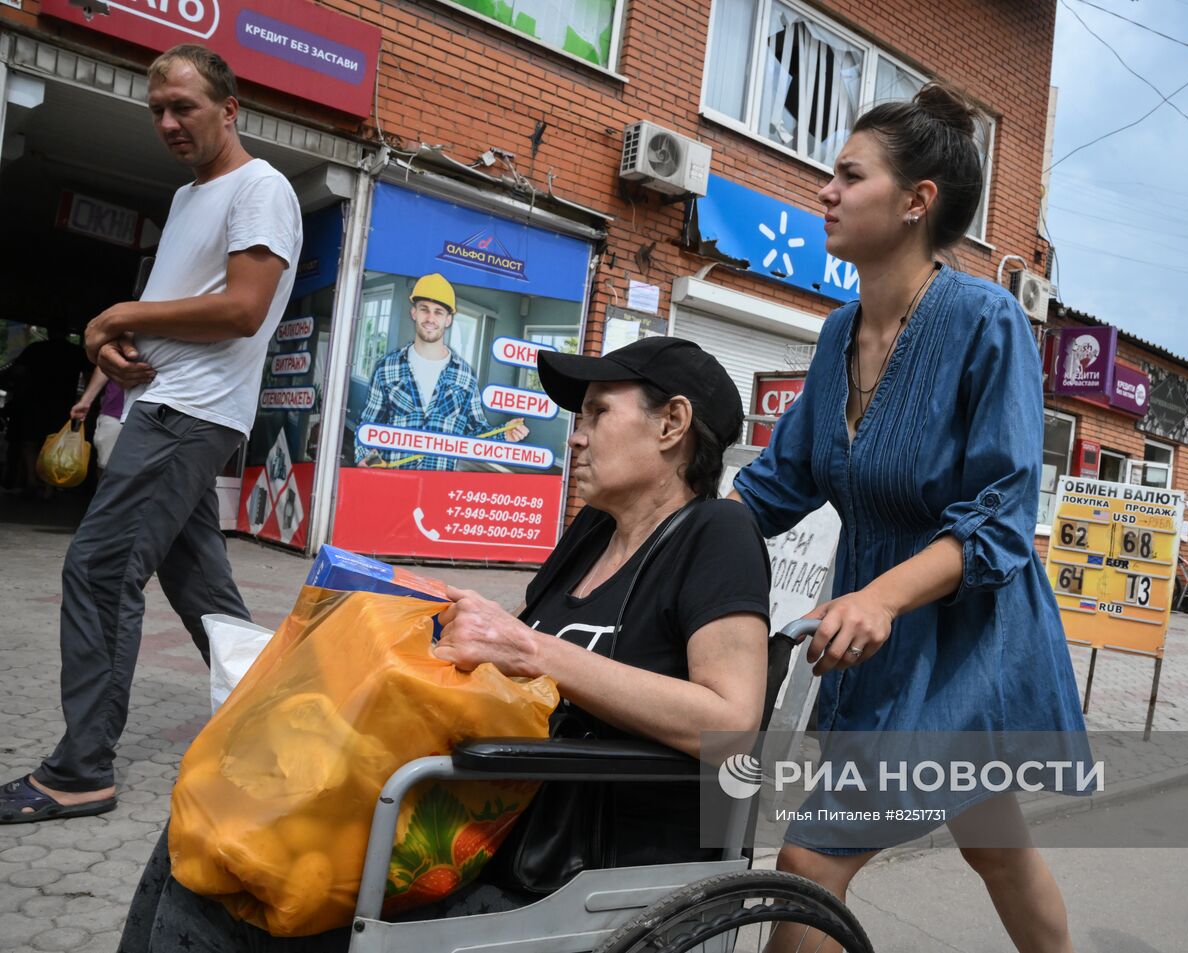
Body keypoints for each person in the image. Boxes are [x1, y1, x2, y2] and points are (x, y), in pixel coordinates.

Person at [117, 336, 772, 951]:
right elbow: (508, 651)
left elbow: (732, 721)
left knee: (239, 880)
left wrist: (531, 651)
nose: (575, 434)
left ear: (672, 423)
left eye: (598, 412)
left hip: (574, 860)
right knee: (215, 818)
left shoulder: (716, 533)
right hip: (490, 812)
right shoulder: (591, 535)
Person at [729, 84, 1086, 953]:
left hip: (966, 643)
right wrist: (664, 533)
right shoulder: (836, 333)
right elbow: (779, 483)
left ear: (916, 201)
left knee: (811, 862)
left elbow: (1000, 519)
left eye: (850, 175)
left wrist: (882, 597)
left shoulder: (986, 320)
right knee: (997, 848)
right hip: (878, 646)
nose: (826, 190)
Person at [0, 43, 303, 824]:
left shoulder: (260, 187)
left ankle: (81, 770)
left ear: (230, 109)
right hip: (162, 403)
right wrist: (110, 350)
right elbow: (178, 306)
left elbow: (242, 308)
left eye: (185, 108)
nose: (168, 123)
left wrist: (122, 315)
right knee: (198, 584)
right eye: (157, 111)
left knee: (100, 572)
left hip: (189, 415)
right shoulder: (187, 197)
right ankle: (276, 723)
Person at [355, 273, 529, 469]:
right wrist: (367, 460)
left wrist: (504, 433)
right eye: (424, 310)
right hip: (393, 486)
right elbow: (368, 427)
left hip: (439, 490)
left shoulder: (464, 376)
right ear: (414, 313)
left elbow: (476, 432)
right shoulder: (387, 368)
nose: (430, 318)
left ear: (448, 319)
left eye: (438, 312)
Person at [0, 322, 88, 495]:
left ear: (48, 332)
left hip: (34, 400)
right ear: (67, 334)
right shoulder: (76, 352)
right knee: (54, 443)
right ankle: (49, 485)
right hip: (63, 403)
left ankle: (32, 479)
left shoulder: (35, 349)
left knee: (29, 441)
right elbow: (89, 374)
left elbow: (18, 371)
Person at [69, 368, 125, 471]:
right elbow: (105, 363)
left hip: (157, 414)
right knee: (106, 469)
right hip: (115, 412)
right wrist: (86, 401)